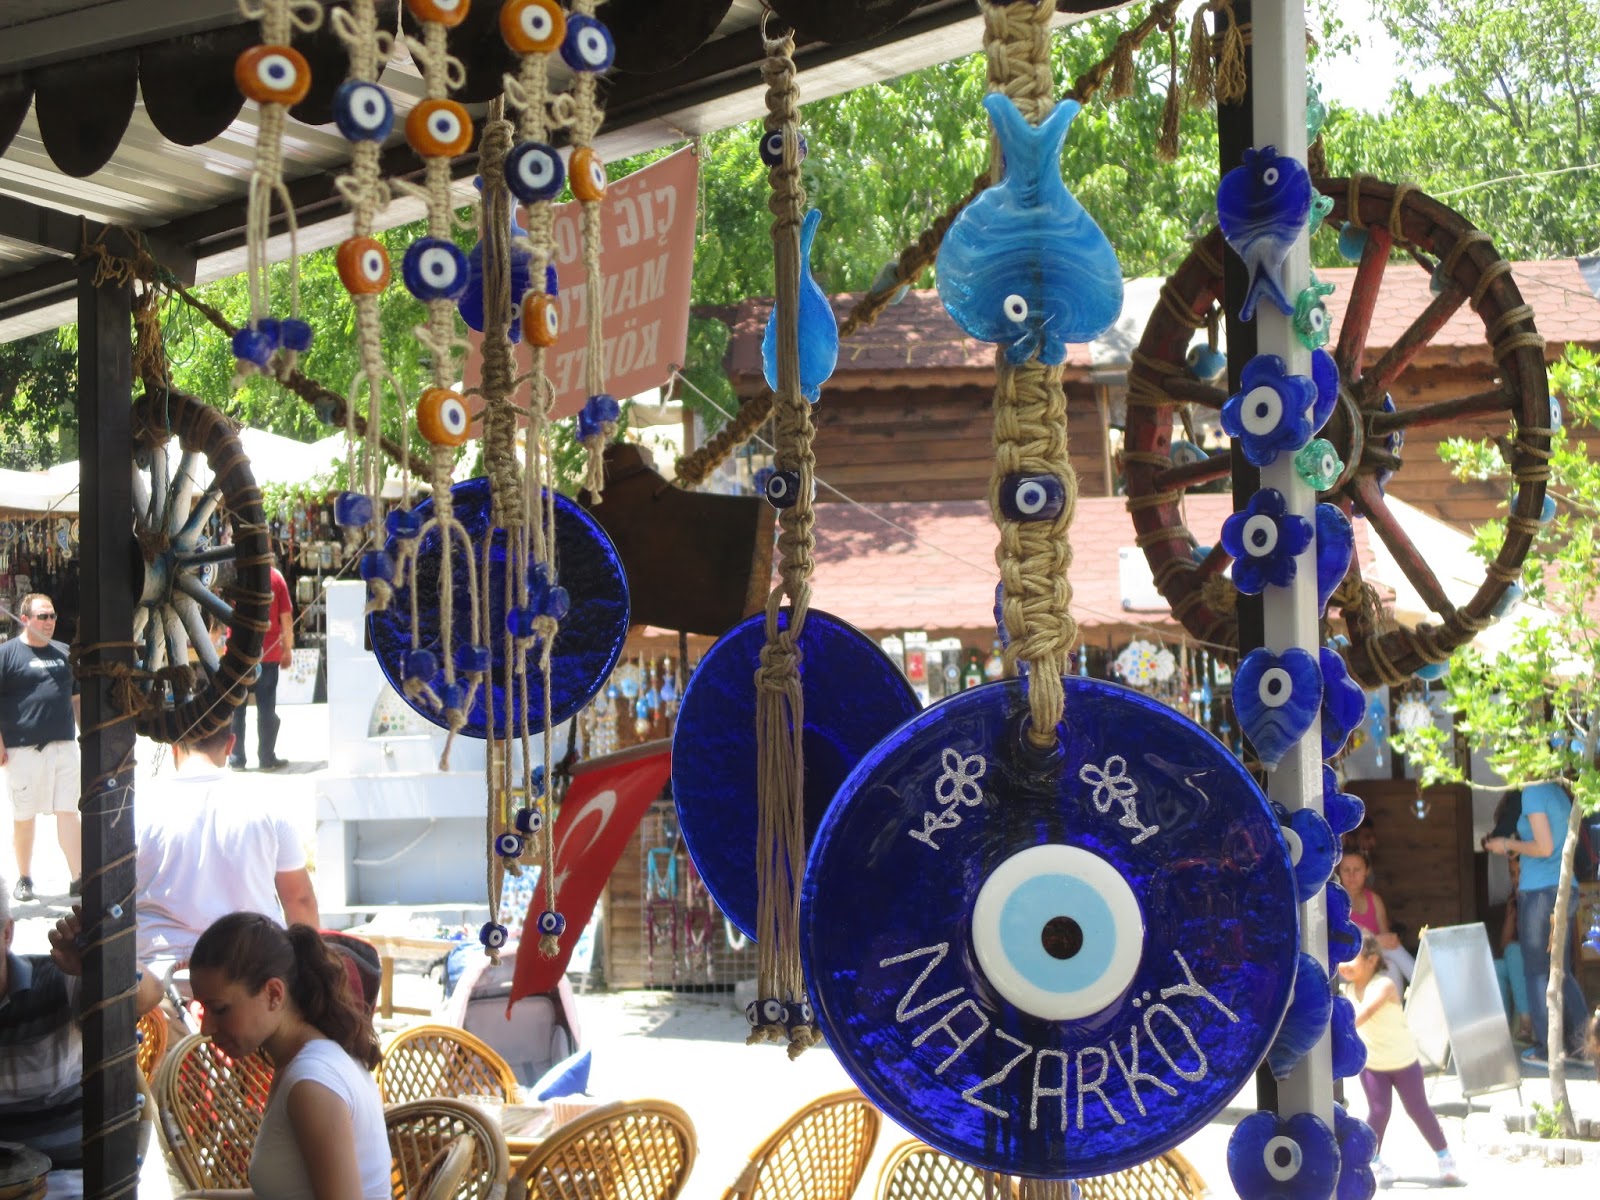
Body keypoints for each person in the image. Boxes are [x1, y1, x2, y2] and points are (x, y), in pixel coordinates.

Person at [188, 913, 388, 1200]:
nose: (206, 1028)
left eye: (219, 1009)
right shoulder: (310, 1058)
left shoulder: (312, 1083)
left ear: (273, 994)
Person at [0, 882, 163, 1195]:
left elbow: (149, 995)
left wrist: (97, 961)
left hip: (67, 1181)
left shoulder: (55, 981)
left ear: (7, 933)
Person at [135, 725, 319, 984]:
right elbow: (299, 900)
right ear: (231, 744)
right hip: (254, 982)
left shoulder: (139, 804)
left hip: (161, 982)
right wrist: (311, 976)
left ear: (174, 746)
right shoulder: (266, 801)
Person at [1339, 932, 1460, 1187]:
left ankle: (1445, 1157)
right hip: (1373, 1065)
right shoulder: (1345, 990)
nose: (1344, 964)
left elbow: (1360, 1016)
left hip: (1403, 1061)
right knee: (1379, 1111)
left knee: (1418, 1109)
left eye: (1351, 958)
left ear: (1372, 960)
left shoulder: (1384, 985)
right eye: (1343, 958)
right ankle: (1374, 1160)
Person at [1485, 779, 1588, 1063]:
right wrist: (1516, 848)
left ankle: (1548, 1050)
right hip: (1564, 887)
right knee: (1561, 972)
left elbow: (1544, 847)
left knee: (1537, 973)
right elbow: (1553, 845)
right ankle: (1583, 1046)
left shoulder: (1533, 791)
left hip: (1539, 892)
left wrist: (1506, 843)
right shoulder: (1560, 792)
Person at [0, 593, 82, 903]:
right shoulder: (7, 654)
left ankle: (79, 877)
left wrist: (87, 736)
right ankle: (25, 878)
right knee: (24, 815)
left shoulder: (64, 653)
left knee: (69, 811)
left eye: (53, 616)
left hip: (64, 746)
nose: (49, 622)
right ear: (25, 619)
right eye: (43, 616)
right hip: (23, 749)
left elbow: (76, 698)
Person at [231, 557, 294, 771]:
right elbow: (286, 618)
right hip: (268, 654)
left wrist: (212, 643)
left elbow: (223, 613)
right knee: (266, 710)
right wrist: (287, 648)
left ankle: (237, 759)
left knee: (237, 709)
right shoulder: (276, 578)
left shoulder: (236, 577)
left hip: (238, 654)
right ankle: (266, 758)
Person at [1337, 848, 1416, 985]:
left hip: (1370, 961)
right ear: (1339, 872)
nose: (1351, 875)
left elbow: (1386, 941)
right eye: (1346, 870)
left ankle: (1404, 997)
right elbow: (1338, 944)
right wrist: (1374, 941)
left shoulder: (1374, 900)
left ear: (1366, 871)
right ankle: (1423, 982)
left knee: (1392, 966)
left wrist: (1388, 940)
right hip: (1345, 965)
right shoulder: (1335, 901)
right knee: (1394, 951)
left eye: (1357, 870)